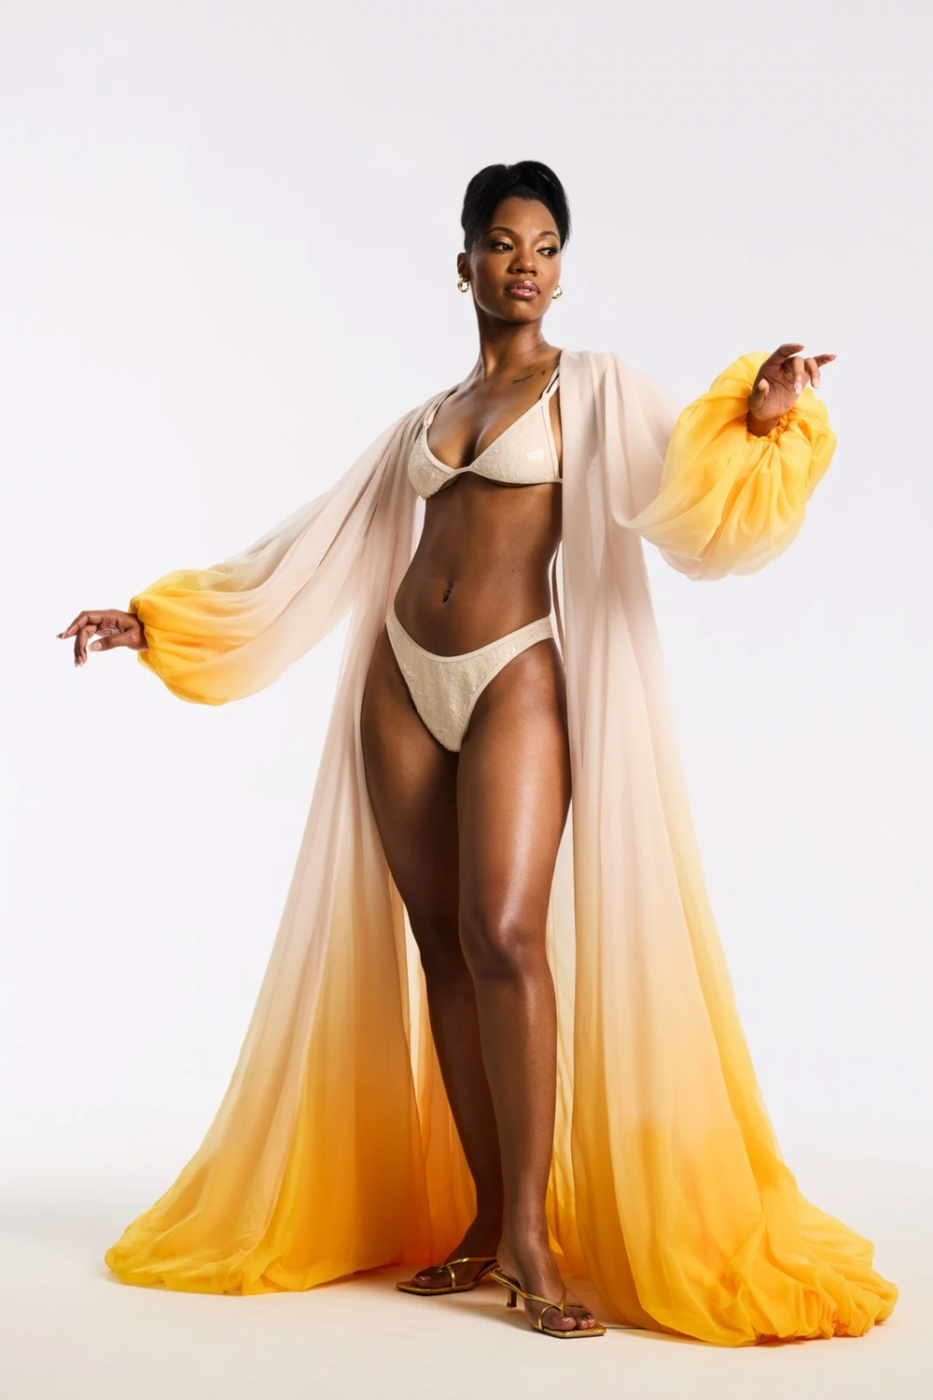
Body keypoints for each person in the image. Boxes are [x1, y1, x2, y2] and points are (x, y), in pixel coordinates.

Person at [58, 161, 897, 1344]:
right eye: (504, 244)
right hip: (400, 675)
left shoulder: (589, 388)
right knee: (444, 943)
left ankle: (531, 1235)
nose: (526, 266)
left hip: (515, 670)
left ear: (562, 269)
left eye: (546, 247)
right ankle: (484, 1218)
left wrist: (761, 415)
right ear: (464, 264)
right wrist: (159, 621)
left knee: (505, 933)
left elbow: (685, 495)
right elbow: (314, 538)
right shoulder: (426, 416)